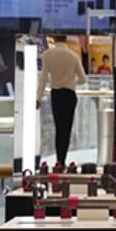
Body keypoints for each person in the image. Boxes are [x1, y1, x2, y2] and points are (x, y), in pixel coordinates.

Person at [40, 36, 86, 167]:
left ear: (54, 39)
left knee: (58, 128)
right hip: (69, 94)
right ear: (66, 39)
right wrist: (72, 82)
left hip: (56, 94)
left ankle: (59, 160)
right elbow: (83, 79)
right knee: (66, 128)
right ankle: (62, 159)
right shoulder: (73, 56)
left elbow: (43, 78)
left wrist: (38, 97)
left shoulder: (47, 54)